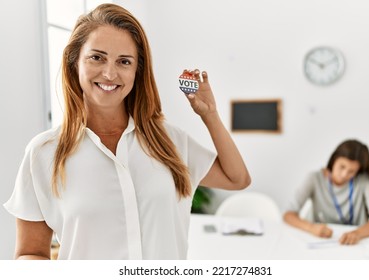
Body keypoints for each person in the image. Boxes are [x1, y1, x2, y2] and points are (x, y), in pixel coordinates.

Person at [3, 3, 250, 260]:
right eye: (97, 57)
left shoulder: (169, 140)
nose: (110, 73)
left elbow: (237, 179)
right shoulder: (43, 153)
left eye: (124, 61)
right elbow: (29, 254)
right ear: (74, 62)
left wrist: (209, 115)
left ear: (136, 71)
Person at [283, 139, 369, 245]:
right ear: (334, 160)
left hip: (353, 246)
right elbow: (288, 214)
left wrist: (357, 233)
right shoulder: (314, 178)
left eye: (351, 171)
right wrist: (311, 227)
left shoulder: (363, 182)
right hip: (319, 242)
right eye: (342, 167)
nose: (344, 174)